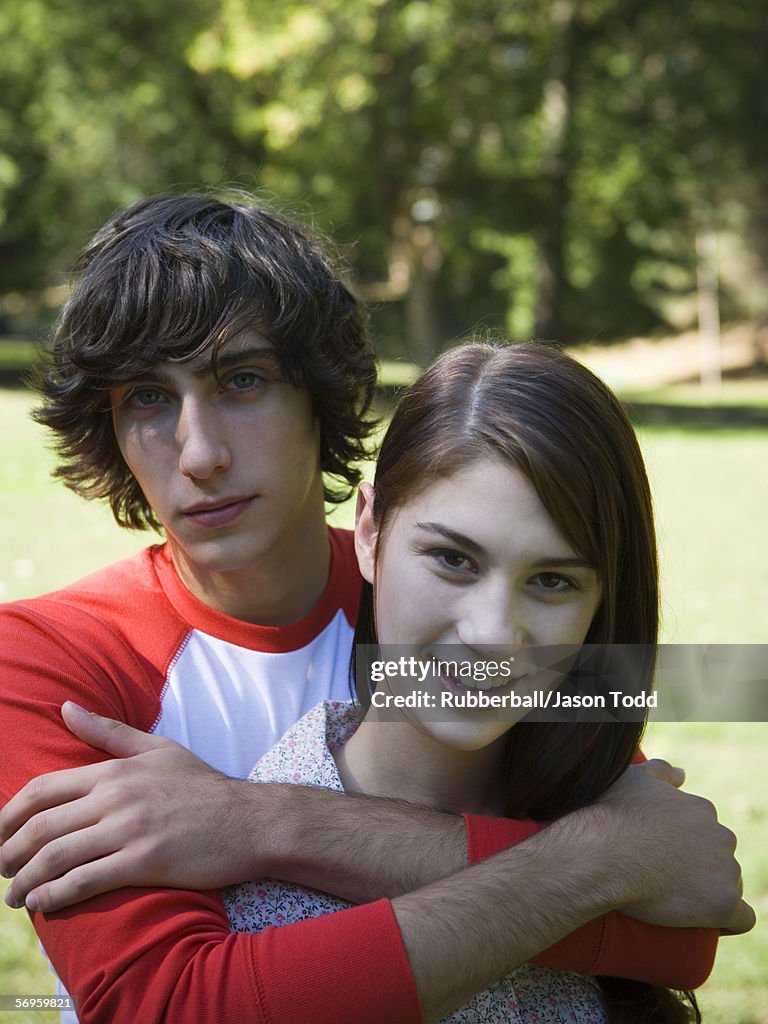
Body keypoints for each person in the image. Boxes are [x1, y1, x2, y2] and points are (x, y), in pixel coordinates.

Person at [0, 194, 753, 1024]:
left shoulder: (441, 588)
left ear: (319, 398)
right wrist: (594, 864)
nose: (202, 453)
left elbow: (678, 924)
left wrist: (261, 821)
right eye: (146, 398)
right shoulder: (47, 656)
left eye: (241, 381)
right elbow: (165, 1005)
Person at [218, 338, 716, 1022]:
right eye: (453, 559)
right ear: (369, 531)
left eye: (551, 581)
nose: (493, 634)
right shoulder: (256, 902)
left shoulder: (623, 805)